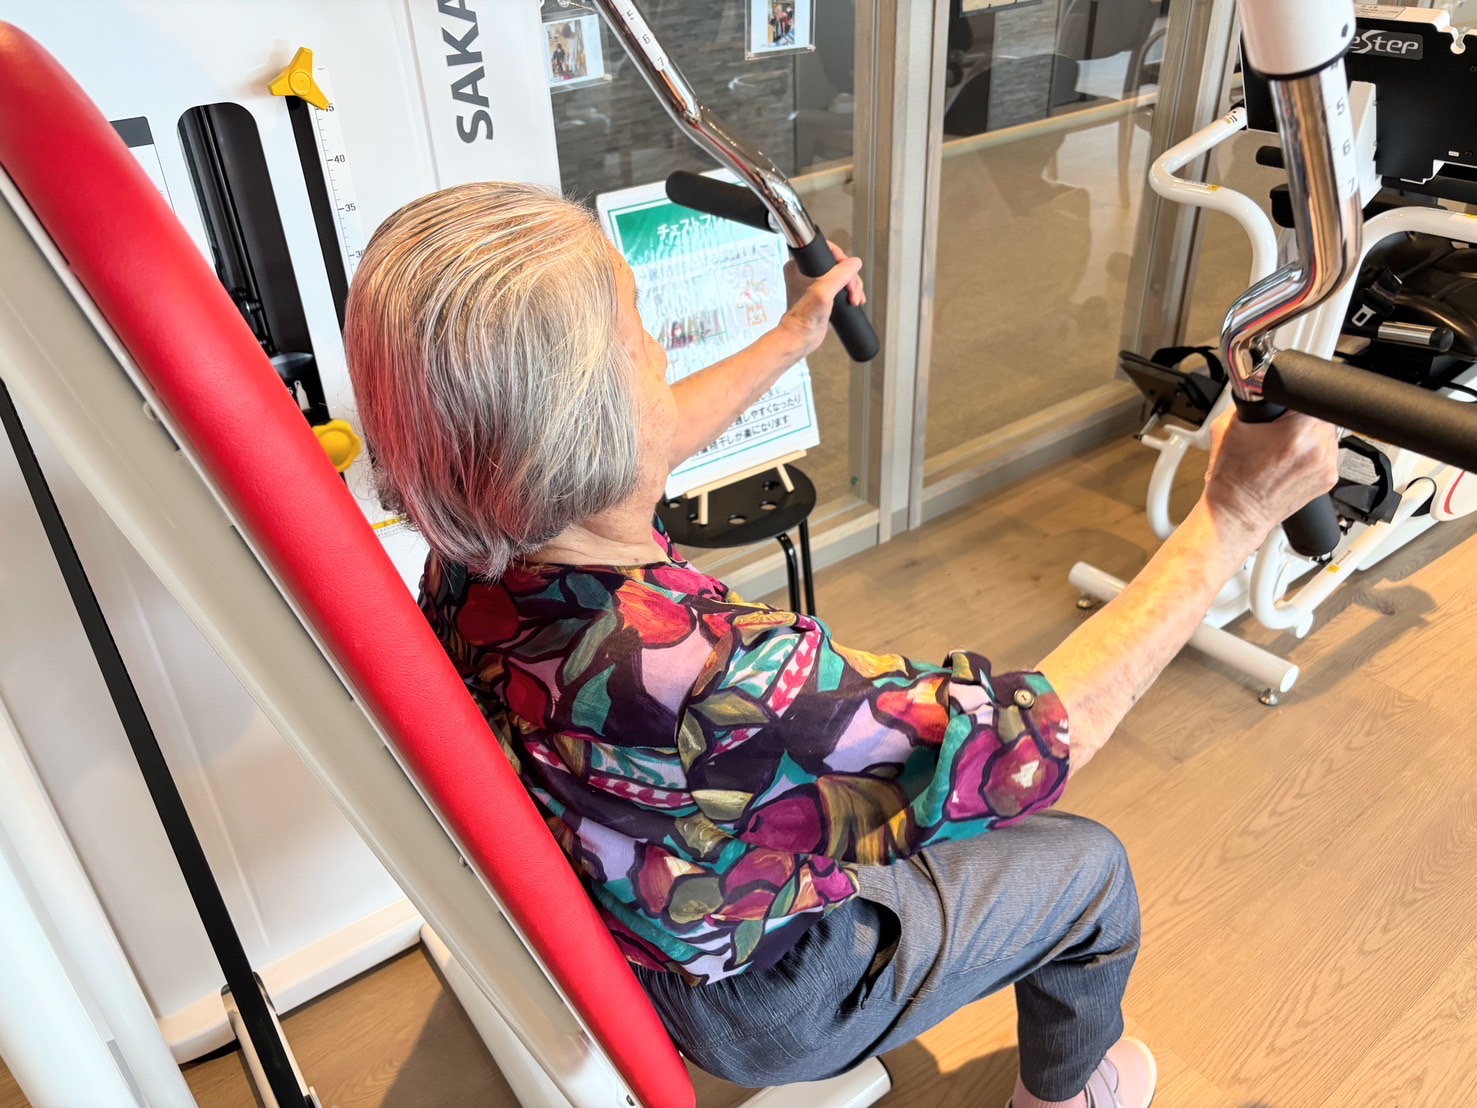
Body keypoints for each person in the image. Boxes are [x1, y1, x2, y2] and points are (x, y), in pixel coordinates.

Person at [343, 183, 1337, 1108]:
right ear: (589, 420)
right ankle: (1068, 1093)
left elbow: (632, 445)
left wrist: (791, 336)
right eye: (639, 331)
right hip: (776, 994)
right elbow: (1024, 744)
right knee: (1089, 871)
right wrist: (1232, 516)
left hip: (647, 919)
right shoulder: (710, 675)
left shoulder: (468, 558)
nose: (657, 351)